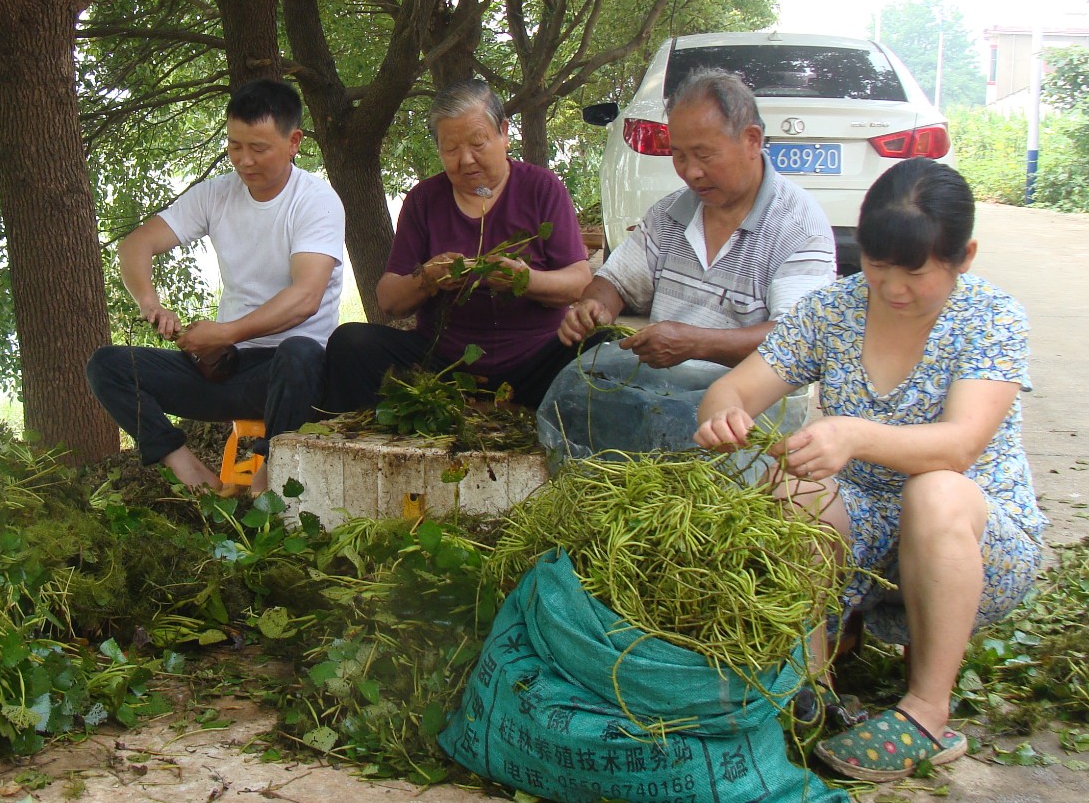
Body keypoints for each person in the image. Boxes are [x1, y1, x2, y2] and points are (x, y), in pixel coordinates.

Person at [693, 158, 1045, 783]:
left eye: (915, 272)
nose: (893, 289)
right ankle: (809, 688)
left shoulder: (993, 316)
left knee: (935, 492)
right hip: (868, 528)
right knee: (790, 483)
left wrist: (851, 434)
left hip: (972, 535)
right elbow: (735, 389)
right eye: (879, 268)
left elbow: (960, 445)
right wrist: (724, 415)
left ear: (963, 257)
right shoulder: (834, 309)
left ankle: (926, 712)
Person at [539, 68, 834, 464]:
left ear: (751, 141)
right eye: (679, 155)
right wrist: (595, 306)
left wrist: (696, 344)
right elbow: (615, 281)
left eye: (704, 155)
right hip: (663, 400)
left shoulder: (799, 227)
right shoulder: (668, 215)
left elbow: (798, 340)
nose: (691, 171)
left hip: (748, 421)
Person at [85, 79, 344, 493]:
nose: (244, 161)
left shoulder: (315, 200)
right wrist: (151, 305)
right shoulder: (216, 194)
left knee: (301, 353)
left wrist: (223, 332)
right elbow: (137, 245)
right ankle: (191, 473)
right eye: (234, 145)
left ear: (294, 141)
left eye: (258, 148)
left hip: (294, 379)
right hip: (227, 369)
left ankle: (269, 482)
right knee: (108, 366)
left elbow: (305, 298)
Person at [321, 79, 596, 414]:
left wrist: (524, 280)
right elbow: (389, 300)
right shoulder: (424, 199)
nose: (466, 160)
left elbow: (580, 282)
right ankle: (375, 438)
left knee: (599, 346)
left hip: (534, 363)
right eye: (451, 150)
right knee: (350, 344)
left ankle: (524, 415)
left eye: (478, 143)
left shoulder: (542, 188)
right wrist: (428, 278)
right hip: (443, 369)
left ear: (504, 133)